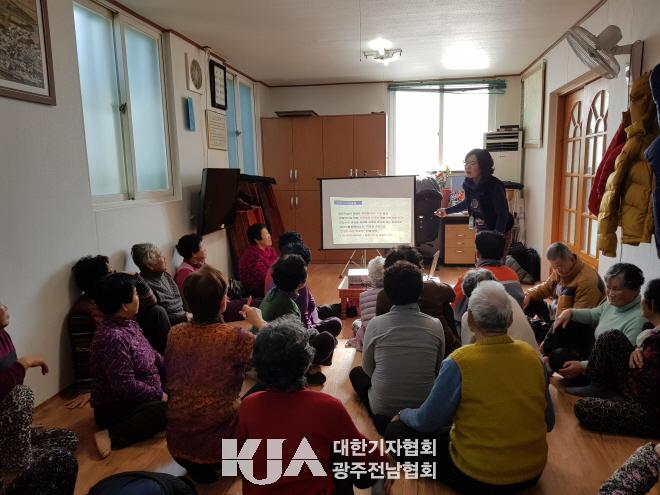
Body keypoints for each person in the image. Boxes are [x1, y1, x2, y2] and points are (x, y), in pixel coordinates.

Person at [385, 281, 554, 494]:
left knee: (395, 432)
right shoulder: (532, 357)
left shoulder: (460, 361)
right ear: (510, 318)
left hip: (477, 476)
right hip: (532, 472)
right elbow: (549, 422)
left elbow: (427, 422)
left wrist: (404, 414)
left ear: (471, 319)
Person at [236, 316, 389, 495]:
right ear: (306, 362)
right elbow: (363, 452)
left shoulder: (248, 405)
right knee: (343, 454)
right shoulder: (327, 407)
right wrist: (385, 461)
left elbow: (238, 458)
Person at [164, 265, 257, 484]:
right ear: (223, 302)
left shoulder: (175, 333)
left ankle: (202, 469)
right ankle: (233, 462)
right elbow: (280, 356)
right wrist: (259, 322)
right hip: (220, 449)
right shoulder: (237, 337)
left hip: (177, 447)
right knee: (265, 391)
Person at [350, 261, 445, 434]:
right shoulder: (435, 325)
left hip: (383, 407)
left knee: (356, 374)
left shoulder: (376, 324)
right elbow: (437, 369)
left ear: (387, 293)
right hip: (423, 406)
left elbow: (368, 369)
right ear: (420, 291)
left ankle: (385, 421)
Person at [0, 302, 79, 495]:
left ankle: (14, 458)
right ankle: (16, 470)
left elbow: (11, 386)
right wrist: (24, 363)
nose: (4, 307)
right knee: (22, 395)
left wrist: (21, 425)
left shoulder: (4, 336)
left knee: (69, 439)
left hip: (5, 431)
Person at [89, 273, 167, 459]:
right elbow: (125, 386)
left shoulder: (129, 323)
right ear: (124, 305)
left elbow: (152, 355)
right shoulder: (113, 338)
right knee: (170, 410)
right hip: (118, 407)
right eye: (135, 294)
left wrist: (175, 367)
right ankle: (111, 433)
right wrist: (158, 394)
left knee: (185, 389)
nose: (139, 297)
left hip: (146, 391)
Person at [572, 279, 660, 434]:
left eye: (645, 297)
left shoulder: (656, 344)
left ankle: (612, 396)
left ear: (652, 304)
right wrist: (637, 349)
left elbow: (649, 390)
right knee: (611, 336)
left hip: (649, 409)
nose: (642, 301)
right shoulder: (650, 328)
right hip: (634, 386)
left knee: (584, 407)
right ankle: (598, 388)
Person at [543, 263, 647, 380]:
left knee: (558, 359)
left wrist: (583, 366)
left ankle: (586, 380)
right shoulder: (613, 303)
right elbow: (593, 314)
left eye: (616, 289)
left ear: (635, 290)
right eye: (608, 288)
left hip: (606, 367)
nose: (610, 294)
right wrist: (570, 312)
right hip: (593, 349)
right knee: (568, 320)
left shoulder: (639, 318)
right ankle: (546, 356)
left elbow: (620, 360)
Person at [70, 254, 171, 354]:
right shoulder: (84, 311)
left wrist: (137, 278)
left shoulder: (112, 296)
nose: (116, 275)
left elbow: (151, 302)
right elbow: (86, 353)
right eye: (111, 273)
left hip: (134, 343)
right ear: (100, 281)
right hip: (122, 352)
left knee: (157, 312)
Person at [259, 254, 336, 385]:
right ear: (301, 282)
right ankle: (304, 372)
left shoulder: (273, 293)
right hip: (279, 359)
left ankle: (311, 367)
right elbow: (296, 342)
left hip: (264, 353)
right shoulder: (289, 306)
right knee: (327, 339)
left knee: (319, 333)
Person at [376, 245, 459, 355]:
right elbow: (452, 295)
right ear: (419, 269)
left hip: (396, 350)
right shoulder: (434, 288)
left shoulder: (383, 295)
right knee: (446, 307)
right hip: (442, 350)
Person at [436, 148, 514, 257]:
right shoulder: (468, 183)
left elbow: (502, 214)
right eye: (466, 163)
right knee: (480, 260)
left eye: (472, 163)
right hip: (481, 229)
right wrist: (446, 211)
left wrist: (497, 237)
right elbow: (468, 203)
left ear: (483, 165)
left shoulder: (494, 185)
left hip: (498, 230)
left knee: (495, 262)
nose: (467, 167)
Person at [174, 233, 254, 323]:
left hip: (220, 304)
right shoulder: (185, 272)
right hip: (211, 312)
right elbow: (201, 301)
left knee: (251, 301)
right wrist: (222, 299)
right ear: (194, 254)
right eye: (202, 247)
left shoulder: (199, 264)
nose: (205, 249)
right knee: (254, 304)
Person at [452, 230, 524, 327]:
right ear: (503, 253)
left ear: (477, 253)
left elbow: (456, 313)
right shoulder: (513, 275)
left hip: (482, 330)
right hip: (514, 326)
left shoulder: (469, 278)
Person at [460, 269, 540, 355]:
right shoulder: (509, 301)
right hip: (534, 358)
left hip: (509, 360)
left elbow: (467, 353)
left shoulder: (470, 317)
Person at [524, 242, 605, 323]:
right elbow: (546, 287)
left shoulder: (587, 281)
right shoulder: (560, 270)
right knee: (530, 300)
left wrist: (555, 325)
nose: (557, 270)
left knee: (537, 328)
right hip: (557, 313)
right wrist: (529, 294)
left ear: (571, 258)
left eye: (559, 266)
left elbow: (579, 318)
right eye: (554, 267)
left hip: (572, 324)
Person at [131, 243, 189, 331]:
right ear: (149, 265)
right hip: (172, 329)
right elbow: (158, 319)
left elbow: (180, 302)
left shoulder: (165, 275)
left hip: (185, 319)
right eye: (160, 256)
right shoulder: (144, 288)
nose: (164, 258)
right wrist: (184, 317)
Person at [347, 256, 385, 351]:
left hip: (370, 339)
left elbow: (364, 320)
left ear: (370, 277)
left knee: (356, 323)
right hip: (388, 335)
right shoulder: (393, 293)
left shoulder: (363, 295)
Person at [238, 223, 278, 298]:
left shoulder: (270, 249)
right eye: (266, 234)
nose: (269, 236)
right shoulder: (251, 255)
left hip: (271, 281)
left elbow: (279, 265)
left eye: (268, 233)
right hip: (257, 289)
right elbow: (265, 277)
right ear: (257, 240)